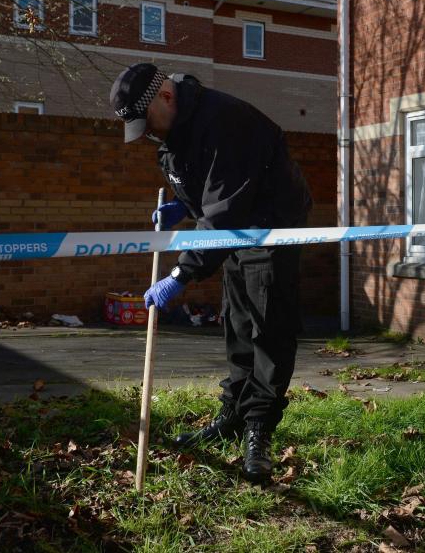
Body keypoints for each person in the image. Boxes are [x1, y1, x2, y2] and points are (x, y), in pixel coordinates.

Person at [110, 63, 312, 484]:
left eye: (145, 123)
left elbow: (224, 211)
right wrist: (184, 205)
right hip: (234, 231)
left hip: (269, 228)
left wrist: (181, 276)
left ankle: (258, 428)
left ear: (165, 97)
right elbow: (207, 189)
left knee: (268, 329)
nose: (147, 134)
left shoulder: (226, 122)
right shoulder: (175, 133)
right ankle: (234, 415)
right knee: (237, 324)